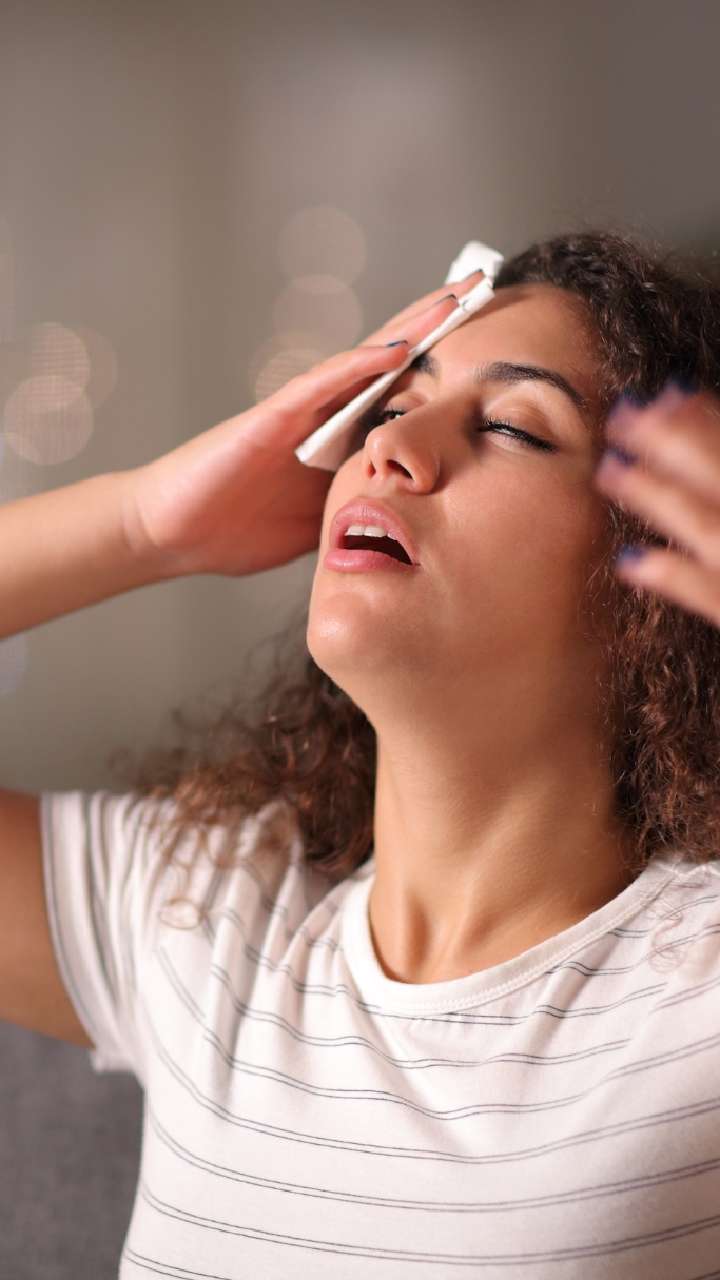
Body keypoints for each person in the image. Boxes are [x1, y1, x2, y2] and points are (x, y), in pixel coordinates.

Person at [3, 228, 720, 1277]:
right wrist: (145, 520)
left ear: (660, 574)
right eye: (387, 407)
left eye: (513, 426)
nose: (391, 448)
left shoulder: (696, 984)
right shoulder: (204, 914)